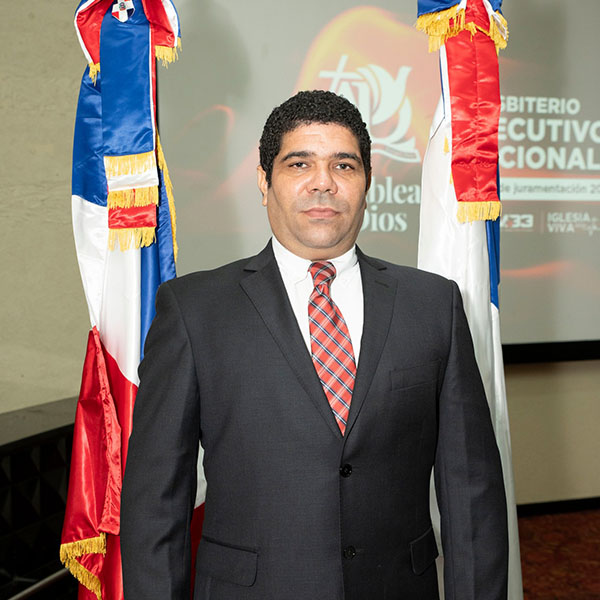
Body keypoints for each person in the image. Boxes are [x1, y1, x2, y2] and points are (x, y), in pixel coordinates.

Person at [121, 90, 508, 600]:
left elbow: (471, 493)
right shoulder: (194, 310)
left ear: (367, 183)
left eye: (343, 165)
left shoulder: (433, 305)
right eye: (299, 163)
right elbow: (155, 502)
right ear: (264, 183)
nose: (323, 182)